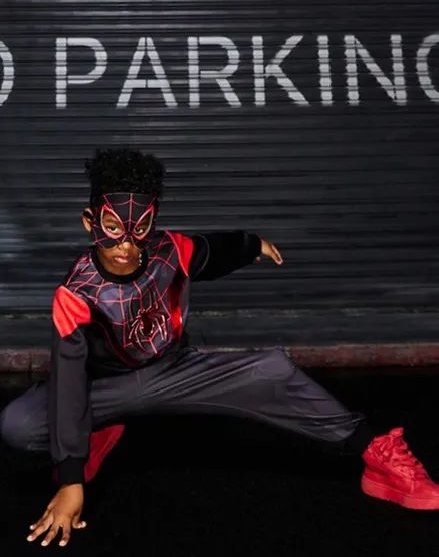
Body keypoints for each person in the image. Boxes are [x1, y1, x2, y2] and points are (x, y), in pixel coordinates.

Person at [1, 147, 439, 549]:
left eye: (139, 230)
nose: (125, 246)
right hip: (105, 390)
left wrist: (252, 244)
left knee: (273, 371)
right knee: (20, 424)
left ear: (152, 222)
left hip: (175, 373)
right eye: (112, 229)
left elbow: (215, 250)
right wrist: (71, 479)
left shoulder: (170, 250)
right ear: (90, 222)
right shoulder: (75, 294)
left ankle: (374, 452)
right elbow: (70, 381)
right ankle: (97, 433)